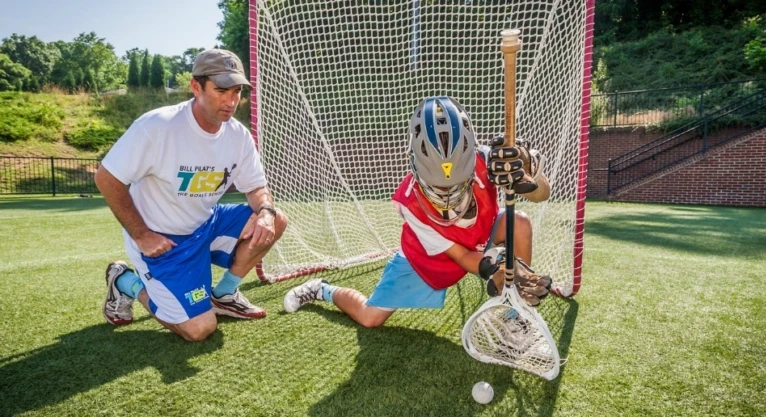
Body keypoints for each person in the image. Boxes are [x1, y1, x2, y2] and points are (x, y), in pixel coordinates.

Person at [283, 96, 551, 328]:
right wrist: (493, 269)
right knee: (370, 317)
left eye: (457, 183)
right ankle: (322, 289)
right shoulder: (409, 202)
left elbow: (542, 194)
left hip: (478, 238)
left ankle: (515, 315)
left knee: (520, 223)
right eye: (438, 186)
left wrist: (529, 171)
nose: (448, 195)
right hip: (426, 261)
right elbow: (460, 255)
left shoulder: (488, 161)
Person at [96, 49, 287, 342]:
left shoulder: (238, 135)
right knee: (199, 329)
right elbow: (107, 178)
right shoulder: (157, 126)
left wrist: (265, 213)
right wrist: (142, 235)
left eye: (237, 91)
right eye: (221, 90)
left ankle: (224, 294)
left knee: (276, 221)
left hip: (207, 225)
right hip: (163, 241)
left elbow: (256, 188)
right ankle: (124, 281)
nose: (231, 100)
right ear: (196, 87)